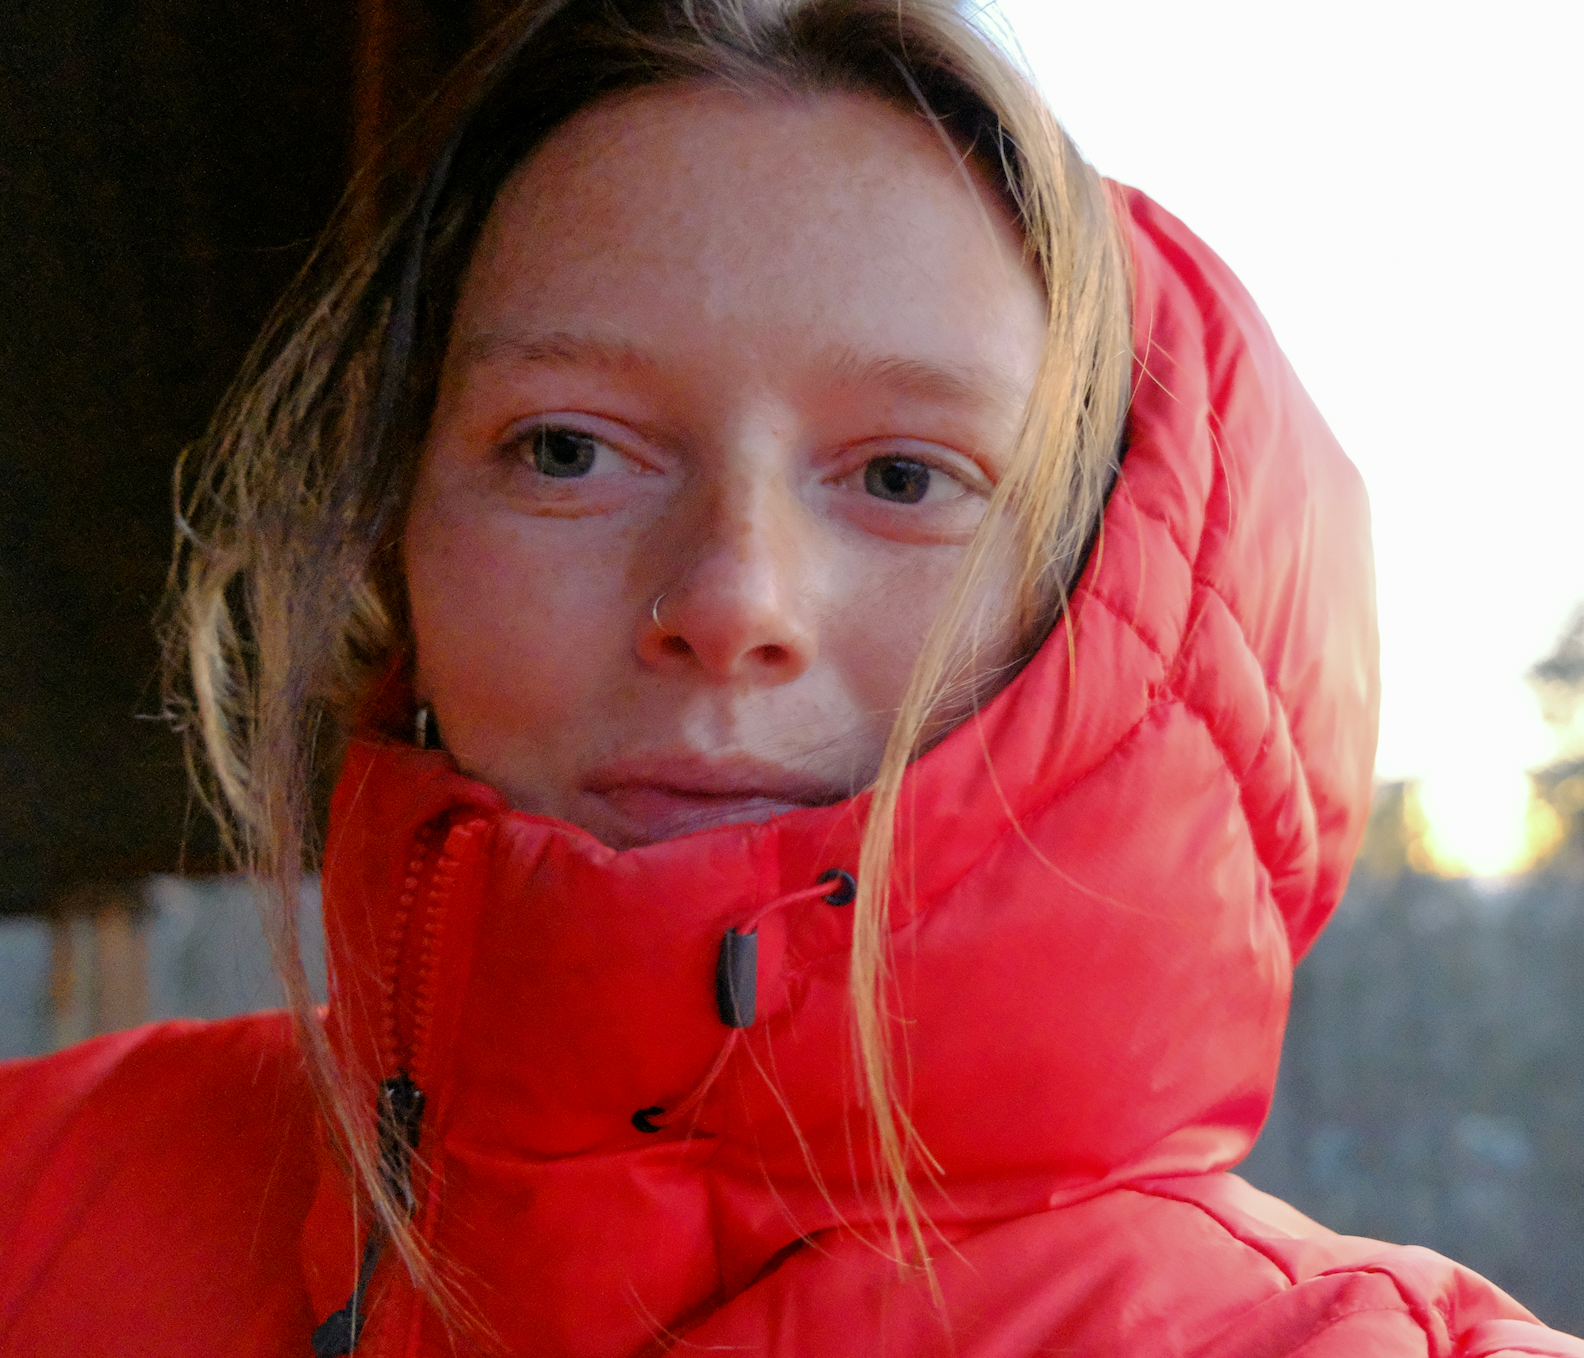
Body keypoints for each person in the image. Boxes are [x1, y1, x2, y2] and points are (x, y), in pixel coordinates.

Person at [1, 2, 1578, 1355]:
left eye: (904, 475)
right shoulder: (41, 1197)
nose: (730, 598)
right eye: (565, 449)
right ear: (397, 531)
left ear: (1110, 600)